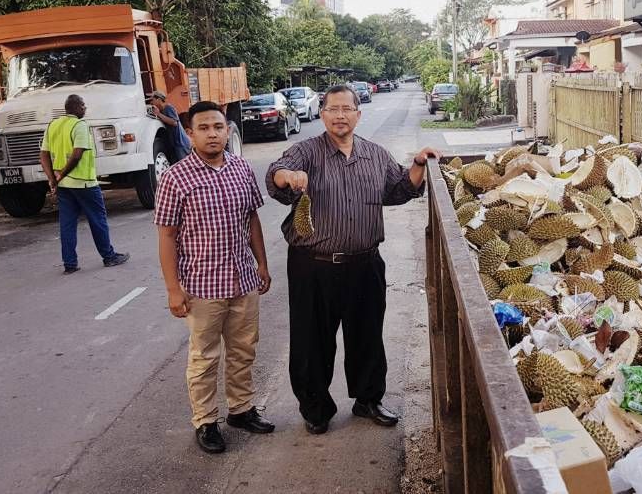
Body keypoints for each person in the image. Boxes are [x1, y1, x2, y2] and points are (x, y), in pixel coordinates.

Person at [266, 84, 441, 435]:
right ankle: (315, 408)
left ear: (358, 115)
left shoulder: (375, 155)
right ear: (322, 113)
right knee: (311, 341)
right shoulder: (306, 152)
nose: (340, 115)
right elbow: (277, 173)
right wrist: (288, 177)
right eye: (333, 109)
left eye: (347, 109)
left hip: (365, 264)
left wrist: (418, 164)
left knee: (367, 336)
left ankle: (368, 399)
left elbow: (399, 189)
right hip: (312, 264)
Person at [154, 100, 275, 454]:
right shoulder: (176, 177)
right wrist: (173, 289)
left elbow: (252, 220)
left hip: (242, 279)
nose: (212, 134)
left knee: (243, 350)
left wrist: (262, 264)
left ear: (228, 131)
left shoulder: (241, 169)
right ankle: (206, 421)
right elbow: (167, 236)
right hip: (203, 287)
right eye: (204, 128)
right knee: (204, 357)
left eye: (218, 127)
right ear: (189, 133)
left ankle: (240, 410)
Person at [39, 94, 130, 275]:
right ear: (77, 107)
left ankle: (70, 264)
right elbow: (77, 154)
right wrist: (62, 174)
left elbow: (43, 155)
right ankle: (109, 256)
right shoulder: (80, 125)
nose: (85, 108)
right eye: (83, 105)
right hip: (84, 183)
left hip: (64, 185)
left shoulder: (53, 125)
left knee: (67, 224)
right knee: (98, 220)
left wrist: (53, 178)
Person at [150, 91, 191, 161]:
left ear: (159, 100)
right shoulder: (162, 111)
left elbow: (174, 122)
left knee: (185, 165)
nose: (151, 102)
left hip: (181, 143)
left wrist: (159, 114)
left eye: (152, 100)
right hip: (175, 144)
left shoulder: (168, 108)